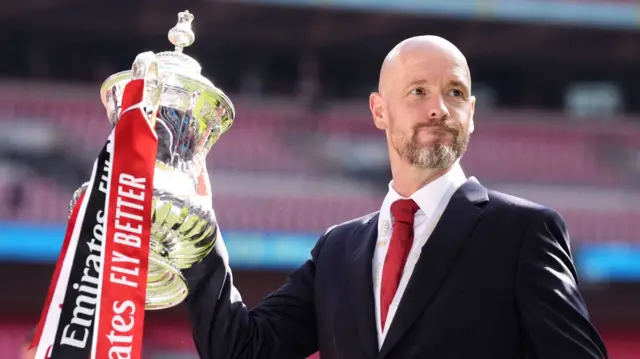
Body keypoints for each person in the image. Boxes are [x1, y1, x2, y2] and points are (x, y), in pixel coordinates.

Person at [184, 35, 608, 359]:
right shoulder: (337, 250)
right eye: (418, 91)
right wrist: (196, 223)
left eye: (455, 93)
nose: (439, 107)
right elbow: (240, 349)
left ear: (472, 114)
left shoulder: (523, 232)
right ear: (379, 110)